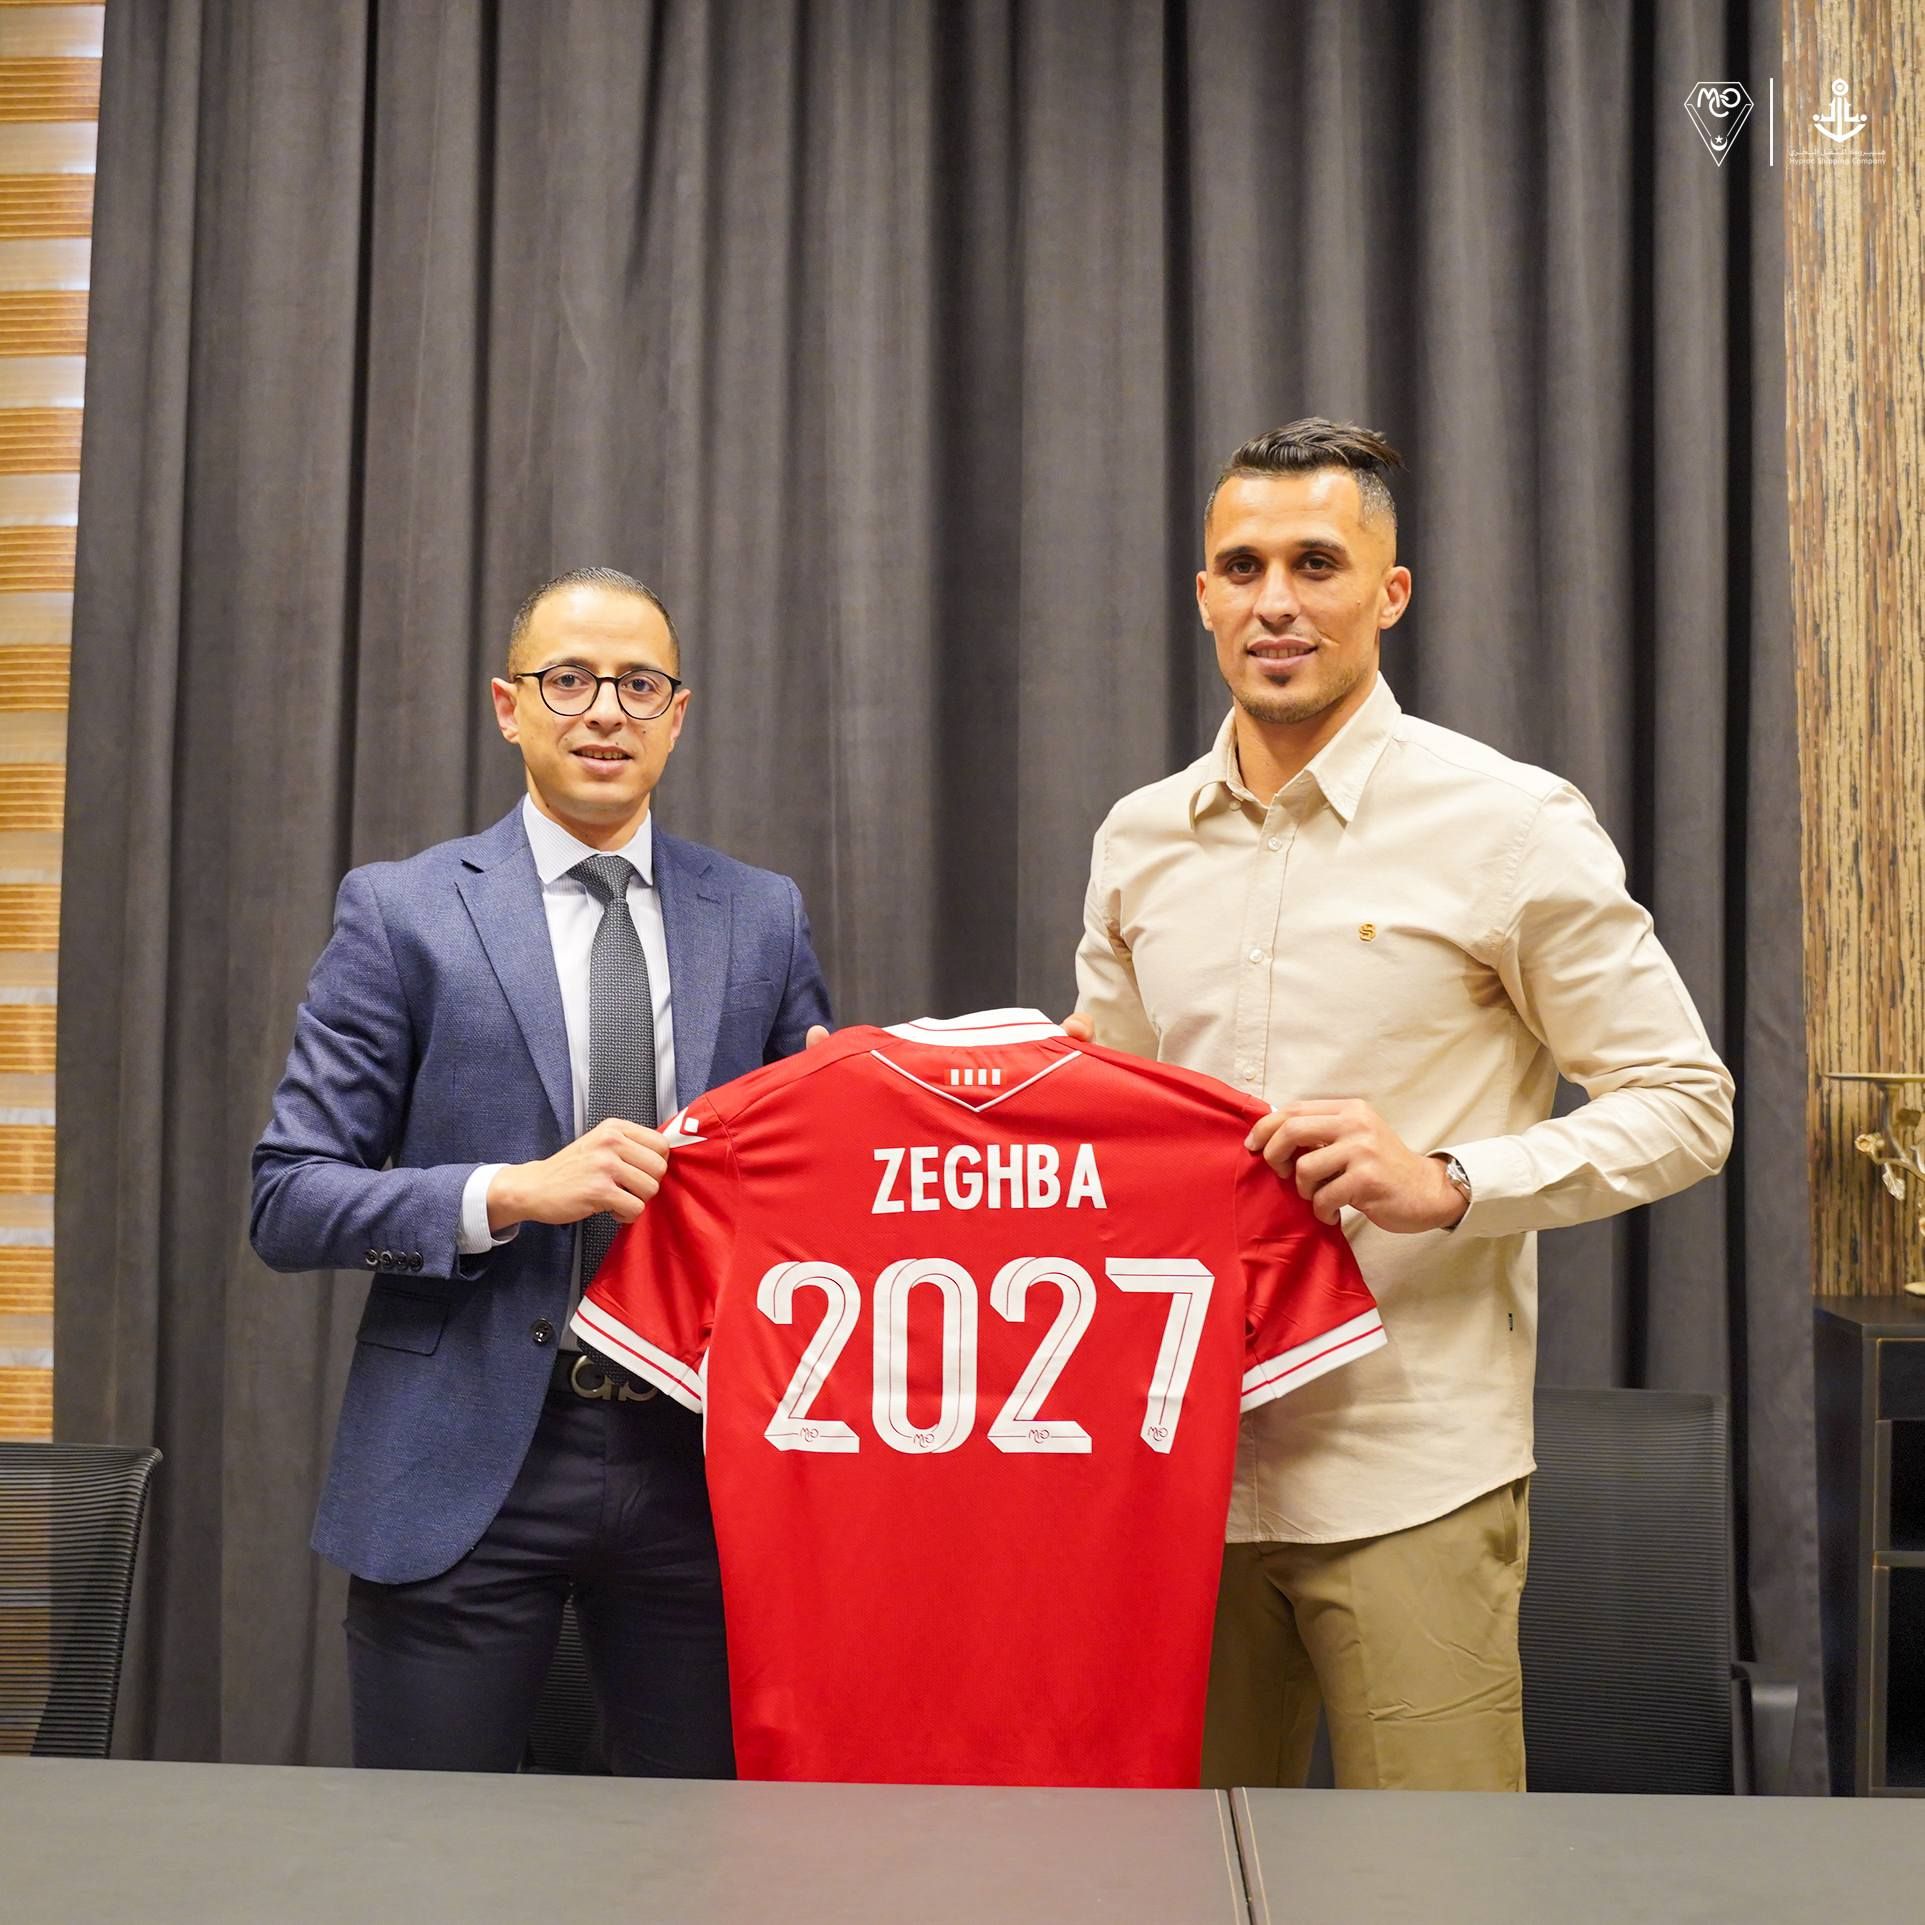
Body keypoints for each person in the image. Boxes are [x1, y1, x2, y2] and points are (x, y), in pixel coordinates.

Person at [1071, 419, 1734, 1791]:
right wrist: (932, 1100)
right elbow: (1106, 1125)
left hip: (1409, 1472)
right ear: (1201, 595)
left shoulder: (1509, 823)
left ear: (1390, 591)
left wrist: (1451, 1181)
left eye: (1315, 563)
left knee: (1431, 1880)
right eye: (1242, 566)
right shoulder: (1137, 838)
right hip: (1175, 1473)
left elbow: (1686, 1102)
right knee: (1173, 1873)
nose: (1274, 601)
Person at [250, 565, 831, 1774]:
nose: (604, 710)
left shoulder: (760, 915)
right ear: (509, 706)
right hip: (461, 1455)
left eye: (638, 684)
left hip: (702, 1461)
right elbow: (289, 1196)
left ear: (678, 714)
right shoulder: (404, 910)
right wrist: (505, 1191)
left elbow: (813, 1176)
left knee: (700, 1850)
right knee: (432, 1854)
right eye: (569, 680)